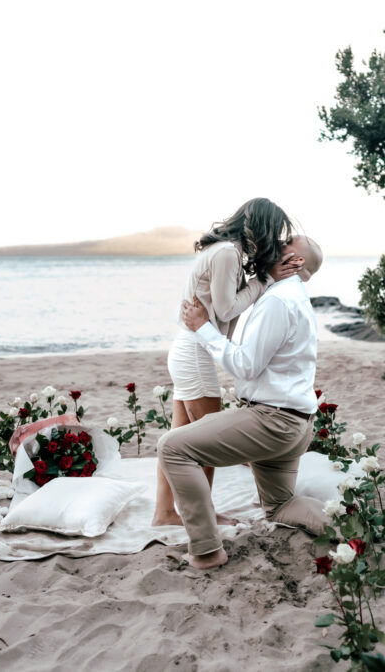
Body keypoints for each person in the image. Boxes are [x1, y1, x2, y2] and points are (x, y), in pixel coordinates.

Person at [157, 235, 327, 569]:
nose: (276, 240)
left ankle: (206, 551)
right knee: (279, 507)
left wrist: (204, 329)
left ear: (296, 261)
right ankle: (350, 526)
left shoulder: (279, 301)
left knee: (173, 448)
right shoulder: (289, 295)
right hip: (294, 424)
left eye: (286, 241)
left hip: (273, 422)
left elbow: (244, 365)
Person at [152, 198, 302, 526]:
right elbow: (224, 310)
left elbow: (221, 311)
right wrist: (264, 281)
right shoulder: (227, 253)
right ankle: (203, 514)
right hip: (194, 353)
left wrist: (264, 279)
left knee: (179, 436)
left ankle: (164, 513)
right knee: (207, 441)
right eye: (273, 233)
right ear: (262, 228)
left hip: (190, 350)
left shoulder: (225, 250)